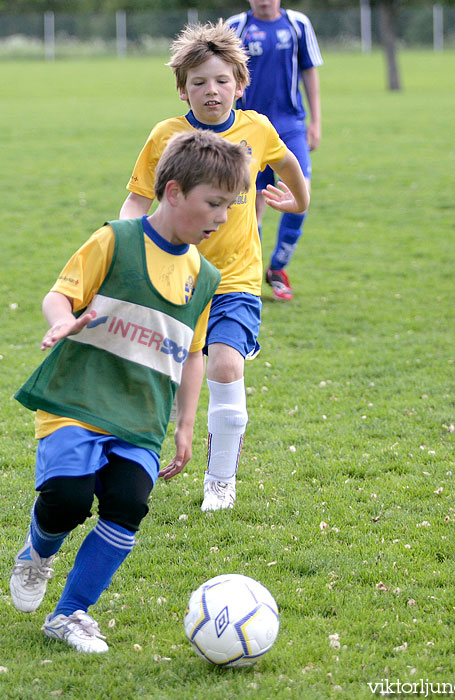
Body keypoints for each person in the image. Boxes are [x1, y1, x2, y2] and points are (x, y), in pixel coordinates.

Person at [9, 130, 250, 654]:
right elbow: (60, 295)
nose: (222, 218)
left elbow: (191, 355)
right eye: (214, 203)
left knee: (127, 503)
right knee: (67, 499)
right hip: (77, 398)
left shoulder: (205, 277)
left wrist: (186, 424)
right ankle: (38, 549)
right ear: (173, 192)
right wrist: (60, 324)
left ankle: (70, 613)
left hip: (141, 414)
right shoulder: (114, 240)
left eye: (230, 207)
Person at [120, 20, 309, 512]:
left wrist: (297, 202)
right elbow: (137, 202)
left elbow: (293, 171)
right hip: (176, 279)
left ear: (240, 85)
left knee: (225, 363)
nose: (211, 90)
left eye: (222, 80)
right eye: (199, 82)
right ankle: (129, 469)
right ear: (182, 90)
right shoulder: (167, 136)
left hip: (237, 276)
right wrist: (129, 245)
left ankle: (220, 483)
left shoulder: (258, 130)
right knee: (163, 378)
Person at [228, 0, 323, 301]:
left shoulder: (298, 24)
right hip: (248, 130)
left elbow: (309, 72)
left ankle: (277, 269)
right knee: (251, 209)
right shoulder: (236, 27)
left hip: (290, 126)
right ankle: (247, 280)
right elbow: (222, 77)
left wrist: (316, 121)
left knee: (300, 198)